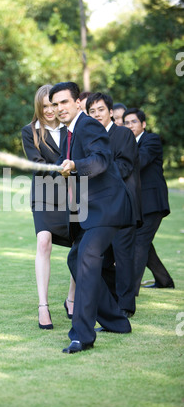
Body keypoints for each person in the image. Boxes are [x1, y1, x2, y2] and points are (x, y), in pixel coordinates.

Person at [49, 82, 134, 354]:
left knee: (85, 258)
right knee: (75, 258)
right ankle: (116, 322)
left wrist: (75, 165)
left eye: (64, 102)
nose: (59, 108)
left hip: (107, 207)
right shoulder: (68, 133)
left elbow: (100, 161)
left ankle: (82, 335)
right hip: (89, 212)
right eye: (55, 104)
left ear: (77, 104)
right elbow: (69, 169)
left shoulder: (89, 126)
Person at [21, 84, 75, 330]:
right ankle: (43, 305)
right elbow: (36, 164)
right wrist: (61, 168)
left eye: (54, 104)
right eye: (45, 106)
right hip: (44, 193)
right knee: (43, 241)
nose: (50, 110)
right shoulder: (29, 132)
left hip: (75, 193)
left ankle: (72, 298)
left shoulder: (72, 128)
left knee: (81, 244)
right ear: (38, 107)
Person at [86, 93, 141, 317]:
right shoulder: (90, 138)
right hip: (98, 208)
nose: (97, 114)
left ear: (110, 112)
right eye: (92, 111)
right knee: (103, 257)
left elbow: (125, 167)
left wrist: (93, 169)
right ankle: (112, 300)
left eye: (101, 109)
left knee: (123, 255)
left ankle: (126, 306)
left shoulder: (123, 134)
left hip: (122, 206)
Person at [123, 108, 174, 295]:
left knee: (139, 242)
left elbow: (141, 161)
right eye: (126, 123)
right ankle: (164, 280)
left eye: (133, 122)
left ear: (143, 124)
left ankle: (130, 293)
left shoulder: (150, 140)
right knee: (144, 243)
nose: (129, 126)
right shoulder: (128, 143)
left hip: (152, 202)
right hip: (138, 203)